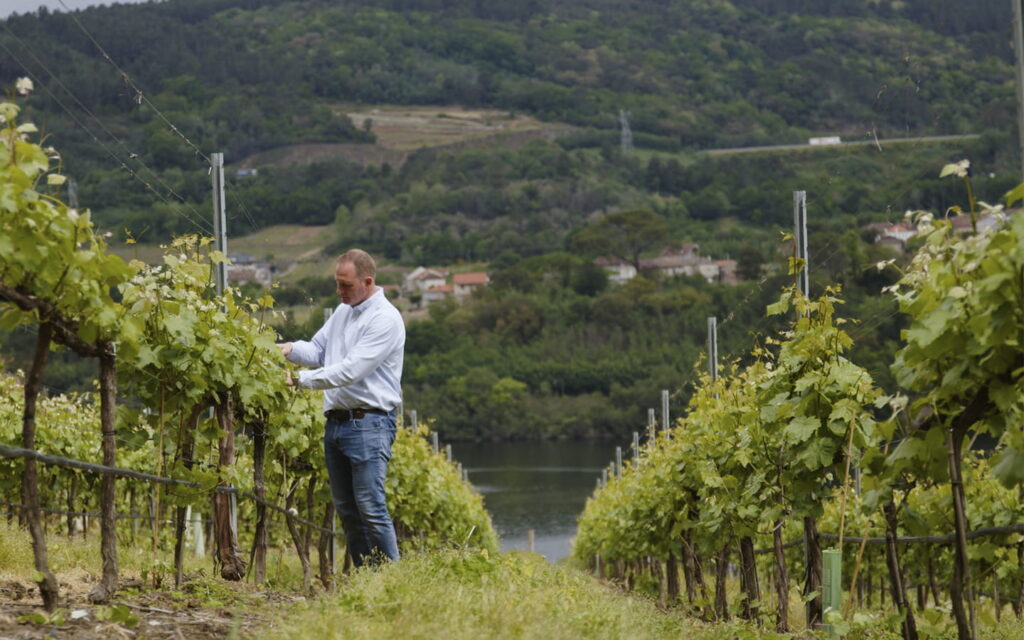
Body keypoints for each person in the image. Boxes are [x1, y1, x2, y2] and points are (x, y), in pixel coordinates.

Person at [278, 249, 404, 566]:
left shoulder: (385, 319)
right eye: (337, 283)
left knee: (370, 507)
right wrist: (288, 349)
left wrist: (299, 380)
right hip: (336, 424)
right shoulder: (343, 312)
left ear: (367, 281)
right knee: (347, 510)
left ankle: (391, 580)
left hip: (369, 424)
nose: (339, 291)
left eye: (345, 285)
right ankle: (366, 581)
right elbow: (319, 350)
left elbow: (350, 370)